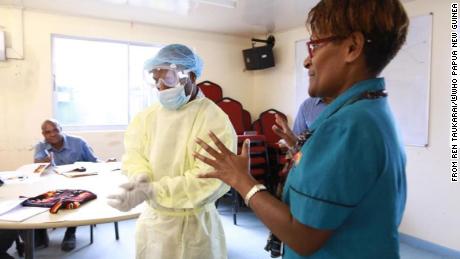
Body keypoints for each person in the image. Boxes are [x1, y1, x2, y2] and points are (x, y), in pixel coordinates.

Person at [193, 0, 408, 258]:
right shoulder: (370, 110)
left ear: (352, 47)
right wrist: (298, 148)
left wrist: (241, 179)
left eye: (315, 45)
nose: (307, 61)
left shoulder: (347, 126)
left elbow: (303, 236)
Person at [107, 44, 236, 259]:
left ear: (191, 76)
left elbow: (208, 180)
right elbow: (134, 154)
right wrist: (140, 178)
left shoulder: (214, 120)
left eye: (167, 78)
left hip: (195, 230)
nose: (160, 87)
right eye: (154, 79)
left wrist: (152, 191)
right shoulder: (147, 117)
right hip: (153, 226)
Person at [33, 119, 99, 252]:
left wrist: (107, 163)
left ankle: (70, 233)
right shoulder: (41, 146)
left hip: (77, 184)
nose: (52, 134)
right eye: (48, 132)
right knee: (35, 195)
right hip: (52, 185)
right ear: (43, 134)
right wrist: (43, 162)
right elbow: (36, 166)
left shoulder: (78, 142)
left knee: (72, 198)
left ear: (61, 129)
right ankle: (40, 233)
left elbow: (94, 162)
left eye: (55, 130)